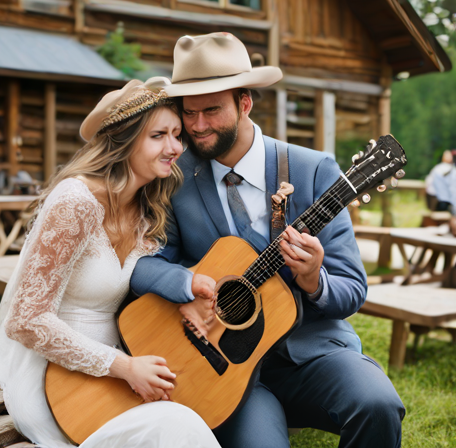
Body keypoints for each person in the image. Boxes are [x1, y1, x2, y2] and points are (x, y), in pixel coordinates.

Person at [131, 33, 405, 448]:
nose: (199, 126)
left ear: (245, 103)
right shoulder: (176, 179)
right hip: (224, 367)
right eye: (190, 113)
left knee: (379, 404)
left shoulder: (314, 171)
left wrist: (315, 278)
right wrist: (187, 286)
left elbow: (352, 289)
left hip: (312, 356)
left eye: (212, 110)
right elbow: (144, 264)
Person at [0, 77, 221, 448]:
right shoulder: (76, 201)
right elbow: (25, 320)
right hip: (54, 382)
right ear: (124, 141)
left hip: (113, 377)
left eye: (177, 134)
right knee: (179, 426)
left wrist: (187, 297)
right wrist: (125, 367)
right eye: (158, 135)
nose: (175, 147)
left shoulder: (145, 210)